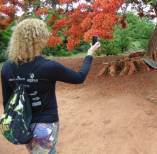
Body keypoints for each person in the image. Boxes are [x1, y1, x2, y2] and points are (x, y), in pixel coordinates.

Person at [1, 18, 100, 153]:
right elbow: (79, 78)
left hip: (22, 125)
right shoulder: (48, 67)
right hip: (45, 124)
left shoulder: (6, 67)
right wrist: (89, 54)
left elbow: (7, 102)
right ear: (40, 39)